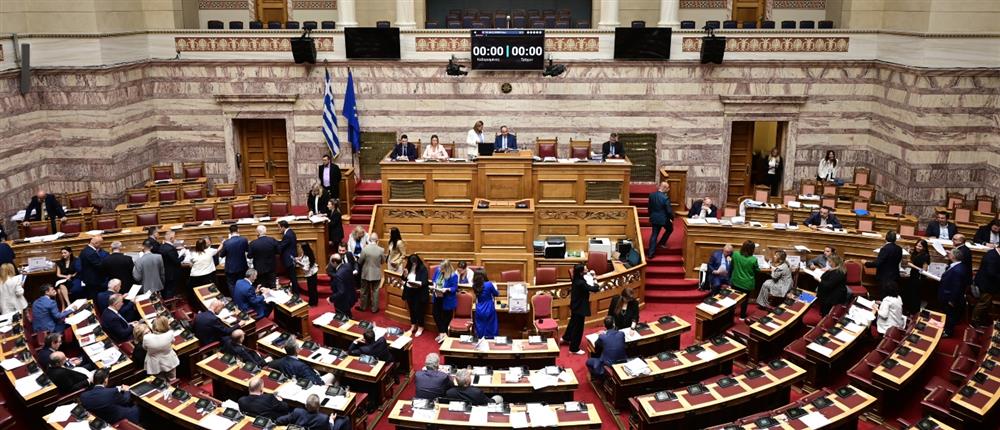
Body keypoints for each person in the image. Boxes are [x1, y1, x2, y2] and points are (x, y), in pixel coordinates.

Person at [562, 264, 600, 354]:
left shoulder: (576, 278)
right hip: (580, 308)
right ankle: (574, 348)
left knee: (573, 323)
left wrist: (589, 274)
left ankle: (567, 338)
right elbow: (594, 289)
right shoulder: (581, 283)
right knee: (578, 328)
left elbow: (585, 277)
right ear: (581, 272)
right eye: (585, 269)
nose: (587, 269)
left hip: (575, 305)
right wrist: (595, 279)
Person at [939, 248, 970, 337]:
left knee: (950, 315)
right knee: (948, 314)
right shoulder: (959, 266)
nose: (948, 254)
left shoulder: (957, 270)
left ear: (953, 256)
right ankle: (946, 329)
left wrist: (952, 300)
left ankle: (948, 332)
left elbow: (957, 287)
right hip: (948, 295)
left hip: (950, 297)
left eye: (950, 253)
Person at [277, 393, 349, 430]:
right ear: (319, 406)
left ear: (306, 405)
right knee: (345, 419)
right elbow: (329, 428)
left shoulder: (297, 411)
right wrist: (331, 420)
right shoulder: (323, 418)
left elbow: (279, 420)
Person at [865, 230, 902, 298]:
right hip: (895, 276)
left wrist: (866, 263)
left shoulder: (885, 249)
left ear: (886, 238)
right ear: (895, 239)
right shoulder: (899, 249)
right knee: (891, 296)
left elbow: (877, 263)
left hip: (885, 277)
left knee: (883, 296)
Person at [730, 241, 759, 320]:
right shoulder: (753, 259)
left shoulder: (735, 254)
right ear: (752, 249)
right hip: (746, 284)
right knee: (745, 300)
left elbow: (731, 266)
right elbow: (757, 270)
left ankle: (730, 315)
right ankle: (742, 316)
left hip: (736, 281)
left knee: (733, 299)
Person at [431, 260, 458, 343]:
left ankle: (443, 334)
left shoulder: (453, 275)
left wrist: (447, 289)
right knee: (436, 314)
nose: (440, 269)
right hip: (437, 296)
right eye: (440, 268)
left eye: (442, 268)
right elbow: (433, 279)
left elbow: (454, 288)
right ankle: (442, 333)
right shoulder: (438, 270)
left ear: (447, 268)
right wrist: (434, 285)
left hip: (447, 299)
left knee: (445, 318)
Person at [401, 254, 429, 337]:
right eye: (412, 262)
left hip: (419, 293)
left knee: (419, 310)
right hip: (409, 291)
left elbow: (424, 282)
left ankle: (420, 327)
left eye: (415, 263)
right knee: (412, 309)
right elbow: (404, 278)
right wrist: (405, 275)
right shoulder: (408, 267)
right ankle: (413, 325)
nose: (413, 264)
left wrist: (417, 284)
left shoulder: (422, 268)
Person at [972, 246, 1000, 326]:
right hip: (987, 285)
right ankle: (975, 321)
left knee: (986, 304)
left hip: (988, 284)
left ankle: (981, 319)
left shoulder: (993, 253)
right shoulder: (992, 256)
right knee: (983, 303)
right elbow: (991, 273)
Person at [358, 233, 384, 313]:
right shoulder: (381, 250)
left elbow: (360, 261)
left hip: (366, 273)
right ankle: (374, 309)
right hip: (376, 273)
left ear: (369, 240)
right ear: (377, 240)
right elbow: (383, 261)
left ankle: (363, 306)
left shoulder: (365, 249)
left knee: (364, 291)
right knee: (375, 291)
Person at [646, 181, 674, 258]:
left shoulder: (652, 195)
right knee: (670, 229)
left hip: (654, 218)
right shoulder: (665, 198)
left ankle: (650, 254)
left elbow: (649, 207)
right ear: (664, 188)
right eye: (668, 188)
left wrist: (651, 215)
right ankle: (661, 243)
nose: (668, 190)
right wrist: (671, 218)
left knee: (654, 234)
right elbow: (669, 211)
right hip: (664, 219)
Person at [220, 224, 250, 291]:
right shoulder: (244, 240)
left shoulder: (226, 242)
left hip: (230, 268)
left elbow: (222, 255)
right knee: (242, 284)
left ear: (230, 232)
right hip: (242, 267)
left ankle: (234, 297)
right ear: (238, 230)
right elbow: (248, 250)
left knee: (232, 285)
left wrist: (223, 243)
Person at [249, 225, 279, 289]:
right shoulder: (272, 240)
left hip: (259, 269)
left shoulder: (253, 243)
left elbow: (249, 256)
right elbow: (278, 251)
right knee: (272, 288)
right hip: (271, 268)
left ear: (257, 232)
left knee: (261, 288)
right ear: (265, 232)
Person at [905, 239, 930, 315]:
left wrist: (913, 266)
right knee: (910, 295)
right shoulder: (916, 253)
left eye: (920, 246)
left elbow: (924, 270)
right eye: (917, 245)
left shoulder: (926, 256)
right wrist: (909, 252)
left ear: (924, 247)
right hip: (913, 276)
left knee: (915, 297)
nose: (917, 247)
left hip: (919, 279)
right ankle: (910, 312)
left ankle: (914, 313)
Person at [472, 270, 499, 339]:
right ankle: (490, 340)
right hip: (489, 307)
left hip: (479, 308)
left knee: (480, 325)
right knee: (491, 325)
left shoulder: (474, 285)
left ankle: (481, 339)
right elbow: (496, 294)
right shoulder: (489, 284)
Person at [277, 220, 300, 296]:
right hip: (291, 257)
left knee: (292, 277)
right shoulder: (291, 232)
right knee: (292, 276)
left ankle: (296, 293)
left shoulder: (287, 235)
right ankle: (294, 292)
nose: (278, 229)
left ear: (283, 227)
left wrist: (274, 245)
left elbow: (281, 246)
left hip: (289, 259)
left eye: (279, 227)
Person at [158, 230, 181, 299]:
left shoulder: (161, 246)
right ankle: (169, 302)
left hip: (164, 271)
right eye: (174, 237)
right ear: (171, 238)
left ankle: (166, 300)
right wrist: (183, 256)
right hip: (172, 273)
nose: (175, 239)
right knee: (170, 289)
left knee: (166, 288)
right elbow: (176, 261)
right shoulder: (170, 249)